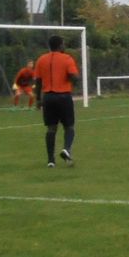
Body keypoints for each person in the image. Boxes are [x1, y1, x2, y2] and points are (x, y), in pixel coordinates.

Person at [33, 35, 80, 168]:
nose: (64, 46)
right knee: (69, 126)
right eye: (63, 44)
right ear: (60, 46)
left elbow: (38, 81)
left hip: (48, 97)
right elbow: (74, 77)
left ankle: (50, 161)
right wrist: (73, 79)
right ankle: (66, 149)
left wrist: (38, 99)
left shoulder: (41, 59)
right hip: (63, 96)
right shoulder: (67, 58)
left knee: (51, 129)